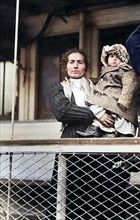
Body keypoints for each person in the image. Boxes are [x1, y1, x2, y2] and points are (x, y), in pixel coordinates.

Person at [47, 48, 130, 219]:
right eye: (72, 62)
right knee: (69, 194)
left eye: (80, 62)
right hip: (72, 142)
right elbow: (63, 111)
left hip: (97, 144)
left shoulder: (97, 85)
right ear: (65, 66)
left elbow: (114, 102)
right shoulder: (58, 87)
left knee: (98, 195)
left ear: (85, 66)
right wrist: (95, 113)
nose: (76, 66)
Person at [77, 43, 139, 138]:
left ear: (122, 60)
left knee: (118, 117)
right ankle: (97, 129)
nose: (114, 59)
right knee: (97, 107)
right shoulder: (104, 70)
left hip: (116, 97)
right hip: (105, 96)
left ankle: (121, 133)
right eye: (111, 56)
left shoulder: (125, 70)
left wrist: (124, 101)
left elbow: (129, 85)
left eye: (117, 57)